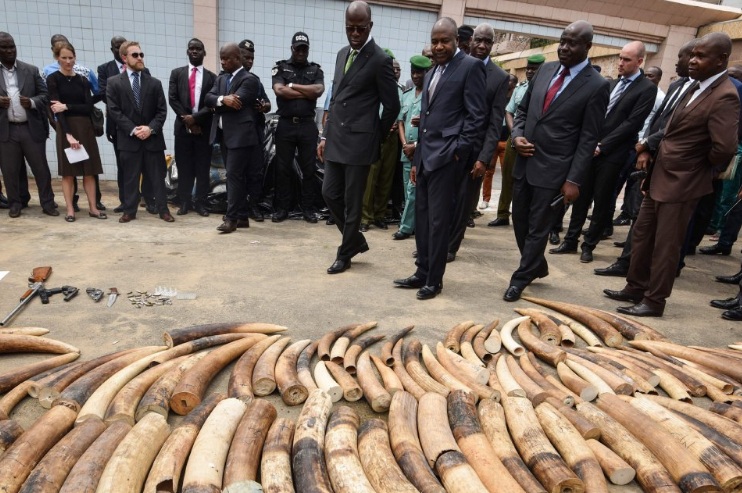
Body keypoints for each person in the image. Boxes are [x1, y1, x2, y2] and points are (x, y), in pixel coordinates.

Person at [604, 32, 739, 317]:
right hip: (659, 177)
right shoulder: (694, 87)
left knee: (666, 246)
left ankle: (654, 301)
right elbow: (671, 128)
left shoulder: (725, 95)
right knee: (642, 235)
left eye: (701, 56)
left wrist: (695, 169)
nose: (692, 61)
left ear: (721, 60)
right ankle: (635, 287)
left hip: (684, 183)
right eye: (692, 55)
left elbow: (724, 148)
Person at [503, 21, 610, 302]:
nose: (564, 47)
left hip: (556, 170)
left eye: (572, 43)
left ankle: (520, 278)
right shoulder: (546, 70)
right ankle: (537, 265)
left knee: (539, 227)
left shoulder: (597, 86)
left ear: (587, 47)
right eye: (562, 41)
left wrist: (573, 180)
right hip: (525, 163)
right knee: (520, 221)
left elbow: (588, 138)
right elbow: (523, 110)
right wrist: (517, 137)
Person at [393, 17, 487, 300]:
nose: (438, 46)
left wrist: (458, 152)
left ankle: (434, 280)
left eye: (444, 40)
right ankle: (421, 271)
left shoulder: (470, 68)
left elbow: (476, 117)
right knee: (422, 218)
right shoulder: (433, 71)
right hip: (425, 157)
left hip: (448, 159)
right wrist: (419, 154)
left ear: (457, 40)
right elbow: (428, 118)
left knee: (438, 222)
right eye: (435, 41)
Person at [594, 41, 697, 278]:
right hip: (653, 158)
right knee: (641, 217)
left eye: (683, 56)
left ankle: (665, 270)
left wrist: (645, 144)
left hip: (681, 169)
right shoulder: (678, 86)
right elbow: (660, 122)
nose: (679, 61)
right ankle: (627, 264)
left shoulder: (703, 92)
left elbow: (682, 128)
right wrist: (647, 149)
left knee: (670, 226)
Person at [549, 41, 657, 263]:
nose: (620, 63)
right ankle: (570, 241)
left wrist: (603, 146)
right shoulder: (611, 84)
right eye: (620, 58)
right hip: (590, 150)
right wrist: (588, 144)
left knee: (602, 200)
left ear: (639, 61)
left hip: (613, 154)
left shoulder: (646, 89)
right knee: (580, 196)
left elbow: (632, 124)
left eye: (626, 60)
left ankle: (589, 245)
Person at [318, 1, 400, 274]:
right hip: (336, 138)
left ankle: (345, 253)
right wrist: (324, 135)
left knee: (353, 202)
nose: (355, 34)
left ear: (370, 27)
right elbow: (337, 99)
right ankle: (356, 240)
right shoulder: (342, 54)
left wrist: (374, 133)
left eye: (360, 28)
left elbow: (392, 106)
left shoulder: (380, 60)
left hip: (360, 143)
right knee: (329, 194)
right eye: (350, 28)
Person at [448, 23, 509, 262]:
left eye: (488, 42)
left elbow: (495, 123)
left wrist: (484, 158)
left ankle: (451, 247)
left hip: (474, 153)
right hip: (448, 146)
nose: (482, 45)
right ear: (471, 40)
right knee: (442, 200)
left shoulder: (500, 77)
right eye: (479, 40)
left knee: (463, 203)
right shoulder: (455, 65)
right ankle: (435, 242)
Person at [106, 41, 173, 223]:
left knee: (157, 177)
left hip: (152, 140)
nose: (140, 58)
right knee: (130, 178)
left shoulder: (154, 83)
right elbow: (114, 111)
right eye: (135, 55)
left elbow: (162, 111)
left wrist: (150, 129)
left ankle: (163, 210)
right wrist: (134, 129)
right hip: (129, 140)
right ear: (124, 58)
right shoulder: (113, 83)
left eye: (141, 54)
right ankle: (129, 210)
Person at [43, 34, 104, 212]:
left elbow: (87, 107)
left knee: (89, 171)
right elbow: (56, 109)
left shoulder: (83, 80)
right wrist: (68, 134)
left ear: (75, 58)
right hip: (65, 128)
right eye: (64, 58)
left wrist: (67, 106)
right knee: (68, 173)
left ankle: (93, 207)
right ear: (57, 58)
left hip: (85, 127)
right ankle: (70, 209)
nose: (68, 61)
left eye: (71, 57)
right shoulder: (52, 78)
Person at [0, 32, 58, 218]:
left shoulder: (30, 70)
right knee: (10, 170)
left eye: (12, 46)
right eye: (5, 47)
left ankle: (48, 203)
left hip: (30, 128)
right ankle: (15, 204)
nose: (10, 51)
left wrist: (32, 102)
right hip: (6, 130)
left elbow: (45, 95)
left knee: (41, 168)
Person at [205, 43, 261, 233]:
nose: (222, 61)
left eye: (226, 58)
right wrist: (223, 99)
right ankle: (242, 216)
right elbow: (208, 98)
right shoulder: (222, 78)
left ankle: (231, 219)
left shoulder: (250, 80)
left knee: (234, 176)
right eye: (221, 58)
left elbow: (238, 101)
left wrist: (219, 102)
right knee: (236, 176)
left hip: (241, 137)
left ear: (237, 58)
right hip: (225, 135)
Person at [271, 31, 325, 223]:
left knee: (309, 169)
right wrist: (306, 93)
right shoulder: (280, 68)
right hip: (286, 125)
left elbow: (318, 90)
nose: (301, 52)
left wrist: (292, 86)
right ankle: (282, 209)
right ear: (292, 48)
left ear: (308, 49)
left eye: (304, 48)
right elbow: (279, 90)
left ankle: (308, 209)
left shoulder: (316, 70)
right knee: (283, 168)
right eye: (298, 48)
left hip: (307, 126)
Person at [488, 54, 545, 227]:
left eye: (533, 69)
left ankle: (529, 217)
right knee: (508, 177)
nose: (529, 71)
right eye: (528, 68)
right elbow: (509, 111)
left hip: (537, 143)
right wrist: (515, 134)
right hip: (514, 139)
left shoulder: (547, 89)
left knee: (533, 181)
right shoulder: (520, 89)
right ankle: (503, 214)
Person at [168, 38, 216, 217]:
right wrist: (187, 120)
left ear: (204, 53)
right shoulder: (177, 74)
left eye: (199, 49)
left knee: (202, 169)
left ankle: (201, 203)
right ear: (187, 52)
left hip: (203, 130)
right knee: (184, 167)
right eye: (191, 48)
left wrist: (195, 119)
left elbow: (212, 104)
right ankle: (185, 202)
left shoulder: (213, 77)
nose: (195, 51)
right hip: (182, 130)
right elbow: (173, 99)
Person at [360, 47, 401, 233]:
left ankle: (379, 215)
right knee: (370, 178)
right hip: (376, 135)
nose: (393, 71)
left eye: (396, 68)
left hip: (392, 138)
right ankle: (365, 217)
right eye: (391, 67)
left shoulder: (401, 90)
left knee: (386, 177)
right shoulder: (373, 87)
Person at [392, 55, 431, 241]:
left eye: (419, 72)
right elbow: (401, 121)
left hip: (421, 151)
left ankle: (406, 227)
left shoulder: (431, 96)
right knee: (409, 192)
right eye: (413, 72)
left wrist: (415, 146)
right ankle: (413, 225)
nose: (415, 76)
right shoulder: (407, 95)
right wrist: (405, 144)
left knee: (414, 190)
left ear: (427, 73)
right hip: (406, 151)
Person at [238, 39, 272, 222]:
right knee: (237, 174)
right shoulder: (229, 79)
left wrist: (264, 106)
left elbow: (267, 102)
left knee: (255, 173)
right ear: (238, 56)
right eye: (246, 57)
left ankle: (253, 206)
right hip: (237, 137)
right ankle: (239, 208)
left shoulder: (256, 81)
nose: (250, 61)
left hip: (255, 135)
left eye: (252, 58)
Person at [480, 73, 517, 210]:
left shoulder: (514, 99)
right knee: (488, 171)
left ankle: (505, 205)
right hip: (493, 141)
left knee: (507, 174)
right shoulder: (498, 96)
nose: (508, 84)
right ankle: (485, 199)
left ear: (514, 84)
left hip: (506, 141)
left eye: (510, 82)